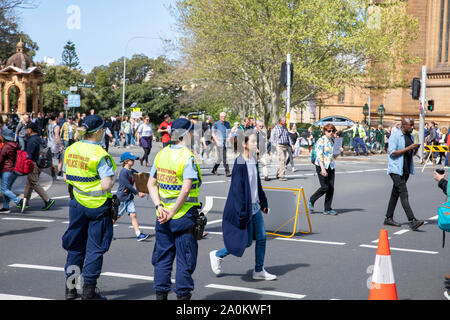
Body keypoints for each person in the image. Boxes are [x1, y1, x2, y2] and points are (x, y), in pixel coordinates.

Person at [62, 115, 118, 300]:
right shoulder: (101, 155)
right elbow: (106, 185)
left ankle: (70, 289)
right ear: (99, 132)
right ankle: (89, 290)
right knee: (95, 248)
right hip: (98, 206)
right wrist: (115, 176)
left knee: (75, 246)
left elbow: (65, 177)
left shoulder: (71, 149)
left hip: (77, 203)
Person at [147, 117, 203, 300]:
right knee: (184, 260)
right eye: (192, 131)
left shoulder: (161, 154)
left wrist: (159, 206)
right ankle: (183, 298)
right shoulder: (187, 157)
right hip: (182, 215)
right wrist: (172, 211)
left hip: (162, 214)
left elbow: (150, 184)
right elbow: (186, 189)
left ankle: (161, 295)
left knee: (162, 258)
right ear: (186, 134)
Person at [209, 132, 276, 280]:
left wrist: (263, 203)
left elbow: (257, 184)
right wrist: (241, 213)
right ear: (244, 144)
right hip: (244, 208)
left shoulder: (253, 159)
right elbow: (237, 191)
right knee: (245, 242)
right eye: (252, 141)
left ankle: (259, 271)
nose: (255, 144)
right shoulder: (240, 163)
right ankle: (217, 254)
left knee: (262, 237)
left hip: (255, 207)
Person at [383, 118, 424, 231]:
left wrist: (415, 149)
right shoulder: (395, 136)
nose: (412, 127)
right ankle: (412, 220)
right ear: (403, 125)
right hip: (396, 170)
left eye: (413, 125)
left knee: (395, 194)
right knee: (403, 194)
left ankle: (388, 217)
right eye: (410, 125)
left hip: (405, 170)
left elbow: (410, 153)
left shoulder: (410, 137)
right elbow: (392, 153)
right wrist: (409, 148)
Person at [308, 124, 343, 215]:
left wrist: (339, 151)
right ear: (325, 131)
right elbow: (319, 156)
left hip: (330, 166)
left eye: (332, 131)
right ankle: (311, 200)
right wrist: (322, 169)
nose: (331, 133)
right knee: (325, 187)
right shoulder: (321, 141)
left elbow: (334, 156)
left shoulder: (332, 141)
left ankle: (327, 209)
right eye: (329, 131)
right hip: (321, 166)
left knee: (331, 188)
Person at [21, 122, 55, 212]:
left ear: (30, 130)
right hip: (40, 163)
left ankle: (47, 200)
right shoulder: (39, 139)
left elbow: (29, 155)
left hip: (33, 164)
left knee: (34, 183)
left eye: (27, 129)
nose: (27, 130)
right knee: (29, 183)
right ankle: (25, 202)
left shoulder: (31, 140)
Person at [116, 152, 150, 242]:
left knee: (133, 215)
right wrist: (138, 193)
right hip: (122, 198)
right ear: (126, 161)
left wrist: (148, 179)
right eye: (132, 160)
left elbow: (140, 176)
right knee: (115, 217)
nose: (134, 161)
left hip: (129, 198)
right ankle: (105, 233)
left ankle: (139, 234)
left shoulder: (132, 170)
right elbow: (128, 185)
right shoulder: (123, 172)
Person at [0, 128, 25, 213]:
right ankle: (6, 207)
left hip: (7, 169)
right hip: (14, 169)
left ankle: (19, 201)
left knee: (4, 189)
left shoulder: (7, 146)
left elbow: (1, 158)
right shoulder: (15, 144)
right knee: (7, 189)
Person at [211, 112, 231, 177]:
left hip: (225, 142)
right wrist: (217, 142)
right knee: (224, 157)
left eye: (225, 116)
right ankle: (227, 171)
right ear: (220, 117)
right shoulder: (216, 124)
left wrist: (229, 137)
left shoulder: (227, 123)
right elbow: (213, 134)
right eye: (222, 116)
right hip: (219, 143)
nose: (223, 117)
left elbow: (229, 132)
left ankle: (214, 169)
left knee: (220, 158)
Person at [271, 117, 290, 181]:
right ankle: (281, 176)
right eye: (284, 120)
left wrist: (291, 144)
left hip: (285, 145)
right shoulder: (275, 128)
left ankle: (278, 173)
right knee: (282, 159)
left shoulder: (285, 128)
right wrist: (275, 145)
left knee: (283, 160)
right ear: (280, 121)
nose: (285, 121)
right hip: (279, 146)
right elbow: (272, 138)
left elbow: (288, 136)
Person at [47, 115, 64, 180]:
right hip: (55, 145)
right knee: (60, 159)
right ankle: (59, 174)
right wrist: (60, 145)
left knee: (51, 159)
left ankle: (53, 172)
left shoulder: (49, 126)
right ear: (56, 118)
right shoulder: (57, 126)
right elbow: (57, 137)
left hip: (49, 144)